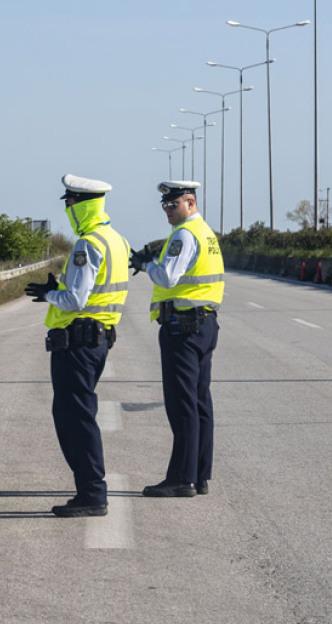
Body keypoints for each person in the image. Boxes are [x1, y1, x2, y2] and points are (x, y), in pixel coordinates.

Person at [25, 174, 130, 518]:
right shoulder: (116, 240)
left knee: (75, 419)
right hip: (98, 339)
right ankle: (90, 490)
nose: (68, 210)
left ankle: (92, 494)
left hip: (77, 343)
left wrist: (48, 294)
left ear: (81, 205)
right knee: (77, 415)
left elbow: (74, 299)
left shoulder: (88, 245)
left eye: (69, 203)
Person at [130, 181, 225, 498]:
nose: (168, 211)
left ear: (191, 203)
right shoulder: (206, 233)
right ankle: (199, 475)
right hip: (204, 323)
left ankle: (181, 479)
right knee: (199, 403)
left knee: (182, 404)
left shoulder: (184, 234)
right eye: (165, 206)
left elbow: (167, 277)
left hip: (183, 326)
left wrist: (146, 265)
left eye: (174, 205)